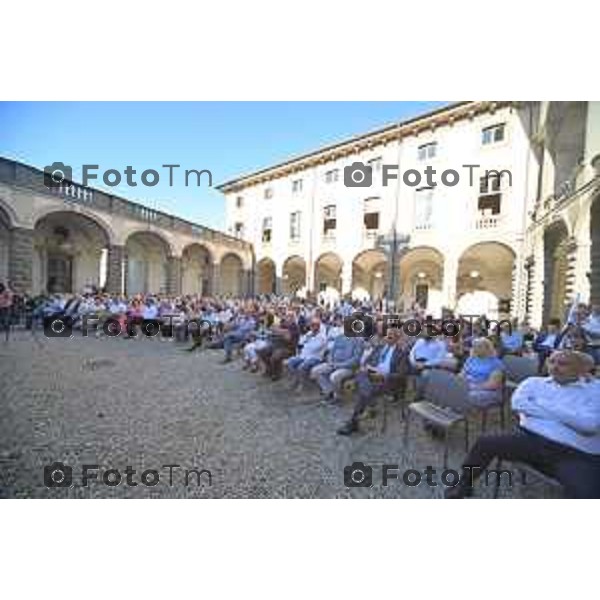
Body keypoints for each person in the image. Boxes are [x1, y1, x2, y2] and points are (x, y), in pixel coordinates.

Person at [445, 350, 600, 499]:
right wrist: (569, 417)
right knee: (485, 442)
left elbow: (588, 425)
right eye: (551, 361)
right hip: (530, 440)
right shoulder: (534, 383)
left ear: (580, 369)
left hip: (574, 453)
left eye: (563, 363)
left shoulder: (595, 390)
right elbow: (518, 404)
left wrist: (540, 404)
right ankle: (464, 484)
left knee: (586, 493)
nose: (555, 367)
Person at [337, 328, 409, 435]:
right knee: (362, 376)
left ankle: (353, 421)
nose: (387, 338)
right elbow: (367, 361)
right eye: (387, 335)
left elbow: (401, 374)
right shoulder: (379, 347)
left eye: (390, 336)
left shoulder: (401, 353)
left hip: (386, 380)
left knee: (363, 389)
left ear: (397, 339)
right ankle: (368, 404)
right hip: (371, 374)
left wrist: (384, 375)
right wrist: (365, 367)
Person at [310, 332, 365, 401]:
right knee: (315, 371)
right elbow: (332, 351)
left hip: (348, 367)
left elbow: (355, 360)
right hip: (333, 363)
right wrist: (330, 361)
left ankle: (337, 396)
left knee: (334, 377)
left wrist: (339, 365)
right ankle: (329, 392)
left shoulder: (358, 341)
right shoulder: (339, 337)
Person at [459, 337, 505, 408]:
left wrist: (472, 386)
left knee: (468, 395)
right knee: (453, 389)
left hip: (489, 391)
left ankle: (461, 413)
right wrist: (461, 383)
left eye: (479, 347)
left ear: (487, 349)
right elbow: (462, 375)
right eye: (474, 346)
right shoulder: (471, 359)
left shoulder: (495, 363)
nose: (475, 349)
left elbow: (492, 385)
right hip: (469, 386)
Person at [286, 319, 327, 390]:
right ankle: (295, 380)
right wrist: (308, 338)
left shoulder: (322, 337)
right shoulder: (309, 333)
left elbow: (314, 348)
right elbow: (300, 342)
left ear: (318, 327)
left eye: (314, 326)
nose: (312, 327)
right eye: (311, 326)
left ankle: (302, 384)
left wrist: (307, 340)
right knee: (290, 362)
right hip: (304, 355)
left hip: (315, 357)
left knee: (301, 367)